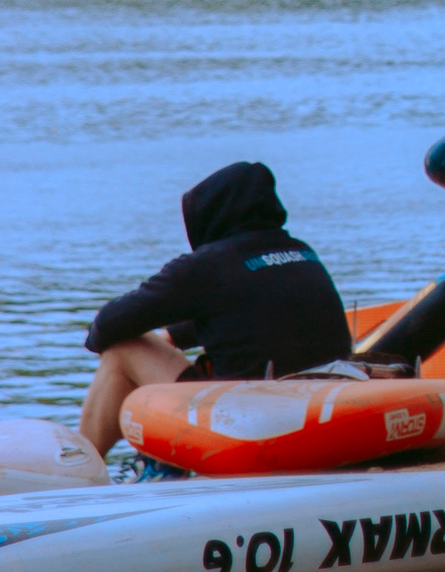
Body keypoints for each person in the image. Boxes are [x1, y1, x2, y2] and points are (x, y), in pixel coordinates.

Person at [81, 161, 350, 460]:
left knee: (122, 349)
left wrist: (103, 338)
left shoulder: (206, 265)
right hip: (322, 408)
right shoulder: (300, 251)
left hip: (248, 418)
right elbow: (251, 309)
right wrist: (174, 335)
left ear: (207, 215)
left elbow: (107, 326)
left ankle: (83, 465)